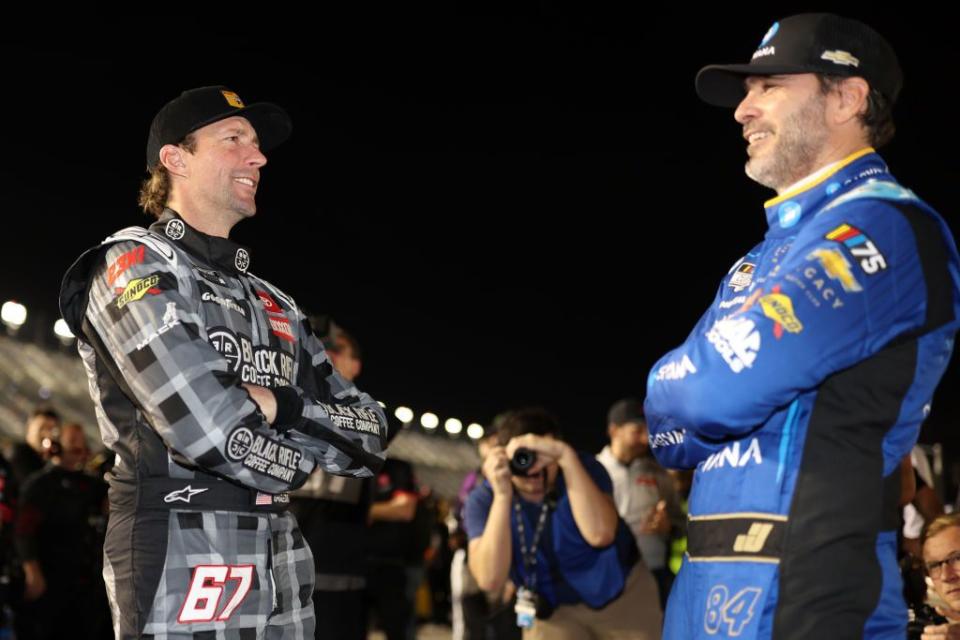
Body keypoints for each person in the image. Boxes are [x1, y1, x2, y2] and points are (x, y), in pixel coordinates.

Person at [644, 13, 960, 639]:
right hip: (704, 590)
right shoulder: (755, 261)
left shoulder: (888, 225)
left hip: (804, 597)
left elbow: (709, 393)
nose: (743, 110)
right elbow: (667, 427)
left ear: (847, 96)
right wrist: (686, 388)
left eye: (768, 87)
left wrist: (689, 385)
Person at [58, 85, 388, 639]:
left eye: (257, 145)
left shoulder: (275, 302)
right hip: (179, 542)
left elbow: (374, 432)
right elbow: (210, 429)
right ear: (175, 159)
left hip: (281, 549)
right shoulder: (131, 263)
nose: (257, 157)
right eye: (233, 139)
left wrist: (281, 406)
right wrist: (306, 457)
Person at [465, 407, 661, 639]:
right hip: (551, 609)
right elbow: (489, 579)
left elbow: (600, 534)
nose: (534, 469)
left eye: (543, 455)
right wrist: (502, 495)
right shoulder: (485, 498)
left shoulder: (582, 468)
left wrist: (566, 457)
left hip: (620, 593)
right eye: (523, 458)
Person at [289, 322, 372, 640]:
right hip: (290, 565)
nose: (329, 358)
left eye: (338, 353)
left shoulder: (372, 419)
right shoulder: (293, 406)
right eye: (324, 352)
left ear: (355, 365)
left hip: (340, 576)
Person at [13, 423, 109, 640]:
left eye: (81, 441)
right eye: (72, 441)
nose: (79, 447)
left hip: (85, 584)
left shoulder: (91, 484)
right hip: (51, 578)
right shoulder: (40, 484)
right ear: (57, 445)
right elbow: (23, 531)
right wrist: (32, 572)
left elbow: (108, 506)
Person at [596, 398, 684, 609]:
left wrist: (669, 527)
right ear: (614, 430)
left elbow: (682, 523)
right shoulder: (593, 471)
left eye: (647, 431)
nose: (645, 439)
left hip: (655, 572)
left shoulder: (659, 473)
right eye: (637, 431)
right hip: (609, 576)